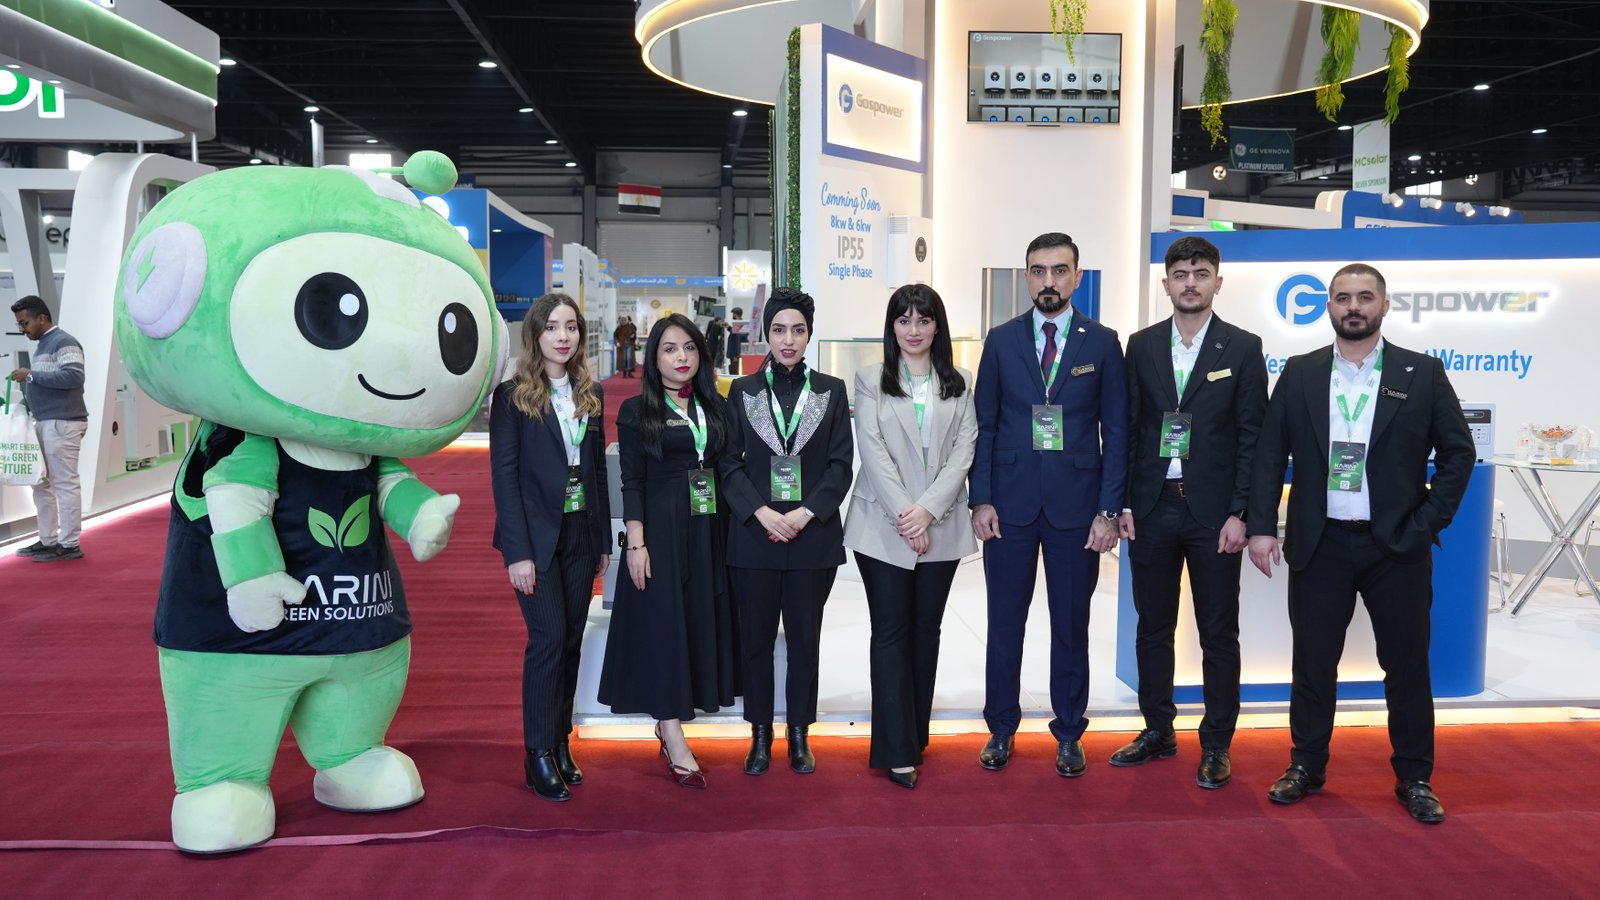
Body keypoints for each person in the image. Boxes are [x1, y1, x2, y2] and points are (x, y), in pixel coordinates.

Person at [1246, 263, 1474, 824]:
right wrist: (1260, 526)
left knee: (1406, 666)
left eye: (1365, 297)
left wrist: (1425, 523)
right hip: (1319, 542)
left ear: (1384, 305)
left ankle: (1415, 777)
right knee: (1313, 663)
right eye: (1343, 297)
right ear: (1328, 306)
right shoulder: (1300, 372)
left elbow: (1458, 453)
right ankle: (1306, 765)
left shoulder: (1421, 372)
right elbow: (1270, 454)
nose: (1354, 307)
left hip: (1395, 547)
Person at [968, 232, 1127, 777]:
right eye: (1038, 271)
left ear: (1077, 277)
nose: (1049, 281)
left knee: (1071, 625)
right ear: (1026, 277)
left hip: (1077, 511)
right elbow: (985, 426)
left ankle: (1070, 731)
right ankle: (1000, 727)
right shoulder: (1001, 341)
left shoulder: (1102, 343)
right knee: (1004, 623)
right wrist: (980, 499)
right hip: (1008, 507)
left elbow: (1117, 432)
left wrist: (1108, 511)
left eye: (1060, 271)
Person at [1114, 236, 1267, 789]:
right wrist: (1124, 502)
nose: (1190, 283)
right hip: (1152, 507)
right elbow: (1130, 429)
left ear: (1217, 282)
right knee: (1152, 628)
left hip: (1214, 516)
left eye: (1201, 273)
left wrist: (1241, 512)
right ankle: (1157, 729)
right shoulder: (1142, 346)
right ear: (1166, 284)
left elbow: (1253, 438)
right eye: (1180, 274)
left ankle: (1217, 743)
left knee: (1218, 633)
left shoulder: (1242, 348)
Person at [843, 284, 977, 790]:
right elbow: (872, 450)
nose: (913, 330)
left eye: (923, 320)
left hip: (940, 524)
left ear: (937, 326)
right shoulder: (870, 379)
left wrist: (928, 511)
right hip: (883, 525)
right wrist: (908, 514)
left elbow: (965, 450)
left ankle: (915, 733)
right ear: (892, 327)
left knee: (926, 632)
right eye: (904, 320)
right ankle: (895, 750)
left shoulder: (960, 381)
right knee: (891, 633)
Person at [597, 314, 737, 788]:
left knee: (695, 619)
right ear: (654, 358)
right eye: (670, 349)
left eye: (690, 348)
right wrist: (635, 543)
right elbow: (631, 480)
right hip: (660, 530)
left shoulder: (715, 405)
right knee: (665, 626)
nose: (682, 358)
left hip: (708, 527)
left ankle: (675, 719)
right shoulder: (638, 410)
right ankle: (671, 730)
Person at [721, 288, 854, 776]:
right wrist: (760, 512)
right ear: (767, 333)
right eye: (779, 330)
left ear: (809, 335)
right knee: (755, 641)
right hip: (754, 537)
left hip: (811, 539)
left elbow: (840, 466)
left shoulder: (831, 391)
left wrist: (804, 514)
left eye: (798, 330)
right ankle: (760, 733)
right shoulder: (742, 392)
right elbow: (728, 464)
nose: (789, 340)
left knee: (804, 641)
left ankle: (799, 733)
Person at [490, 293, 612, 802]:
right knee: (548, 638)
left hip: (581, 532)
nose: (563, 336)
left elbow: (597, 470)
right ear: (535, 334)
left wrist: (603, 539)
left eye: (571, 327)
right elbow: (505, 477)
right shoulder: (513, 396)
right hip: (535, 538)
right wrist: (517, 553)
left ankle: (561, 741)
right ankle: (537, 752)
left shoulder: (590, 391)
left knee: (571, 640)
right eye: (552, 327)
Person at [9, 295, 88, 563]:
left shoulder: (64, 341)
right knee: (41, 484)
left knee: (65, 484)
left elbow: (74, 376)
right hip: (46, 422)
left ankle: (69, 544)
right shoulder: (44, 344)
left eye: (25, 323)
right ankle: (48, 539)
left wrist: (31, 375)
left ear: (42, 318)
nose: (23, 329)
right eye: (20, 324)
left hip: (62, 422)